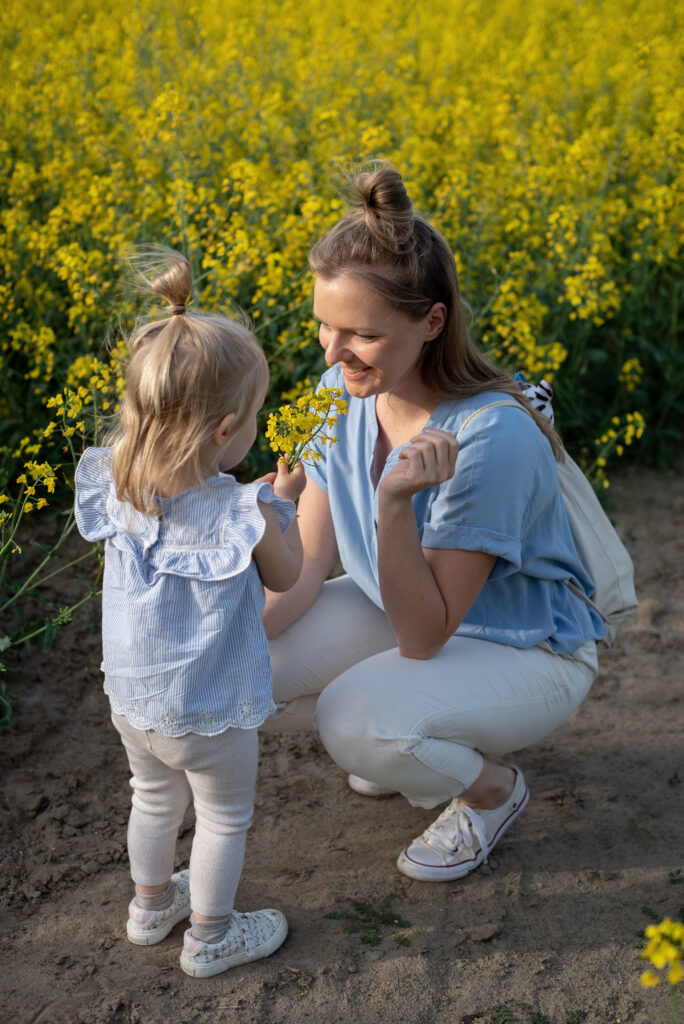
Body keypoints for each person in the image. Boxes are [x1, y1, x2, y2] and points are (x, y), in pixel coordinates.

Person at [262, 165, 606, 882]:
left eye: (362, 334)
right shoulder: (338, 391)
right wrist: (225, 639)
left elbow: (425, 636)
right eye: (325, 326)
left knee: (355, 722)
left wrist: (393, 505)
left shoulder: (489, 437)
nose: (332, 353)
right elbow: (312, 562)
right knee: (241, 673)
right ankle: (412, 732)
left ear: (432, 323)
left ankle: (490, 791)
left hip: (522, 644)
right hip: (405, 605)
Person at [74, 249, 305, 976]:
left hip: (134, 702)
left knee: (152, 797)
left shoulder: (115, 483)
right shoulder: (242, 510)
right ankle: (211, 937)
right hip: (212, 710)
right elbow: (288, 576)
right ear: (225, 429)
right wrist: (285, 507)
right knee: (224, 817)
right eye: (253, 418)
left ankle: (150, 907)